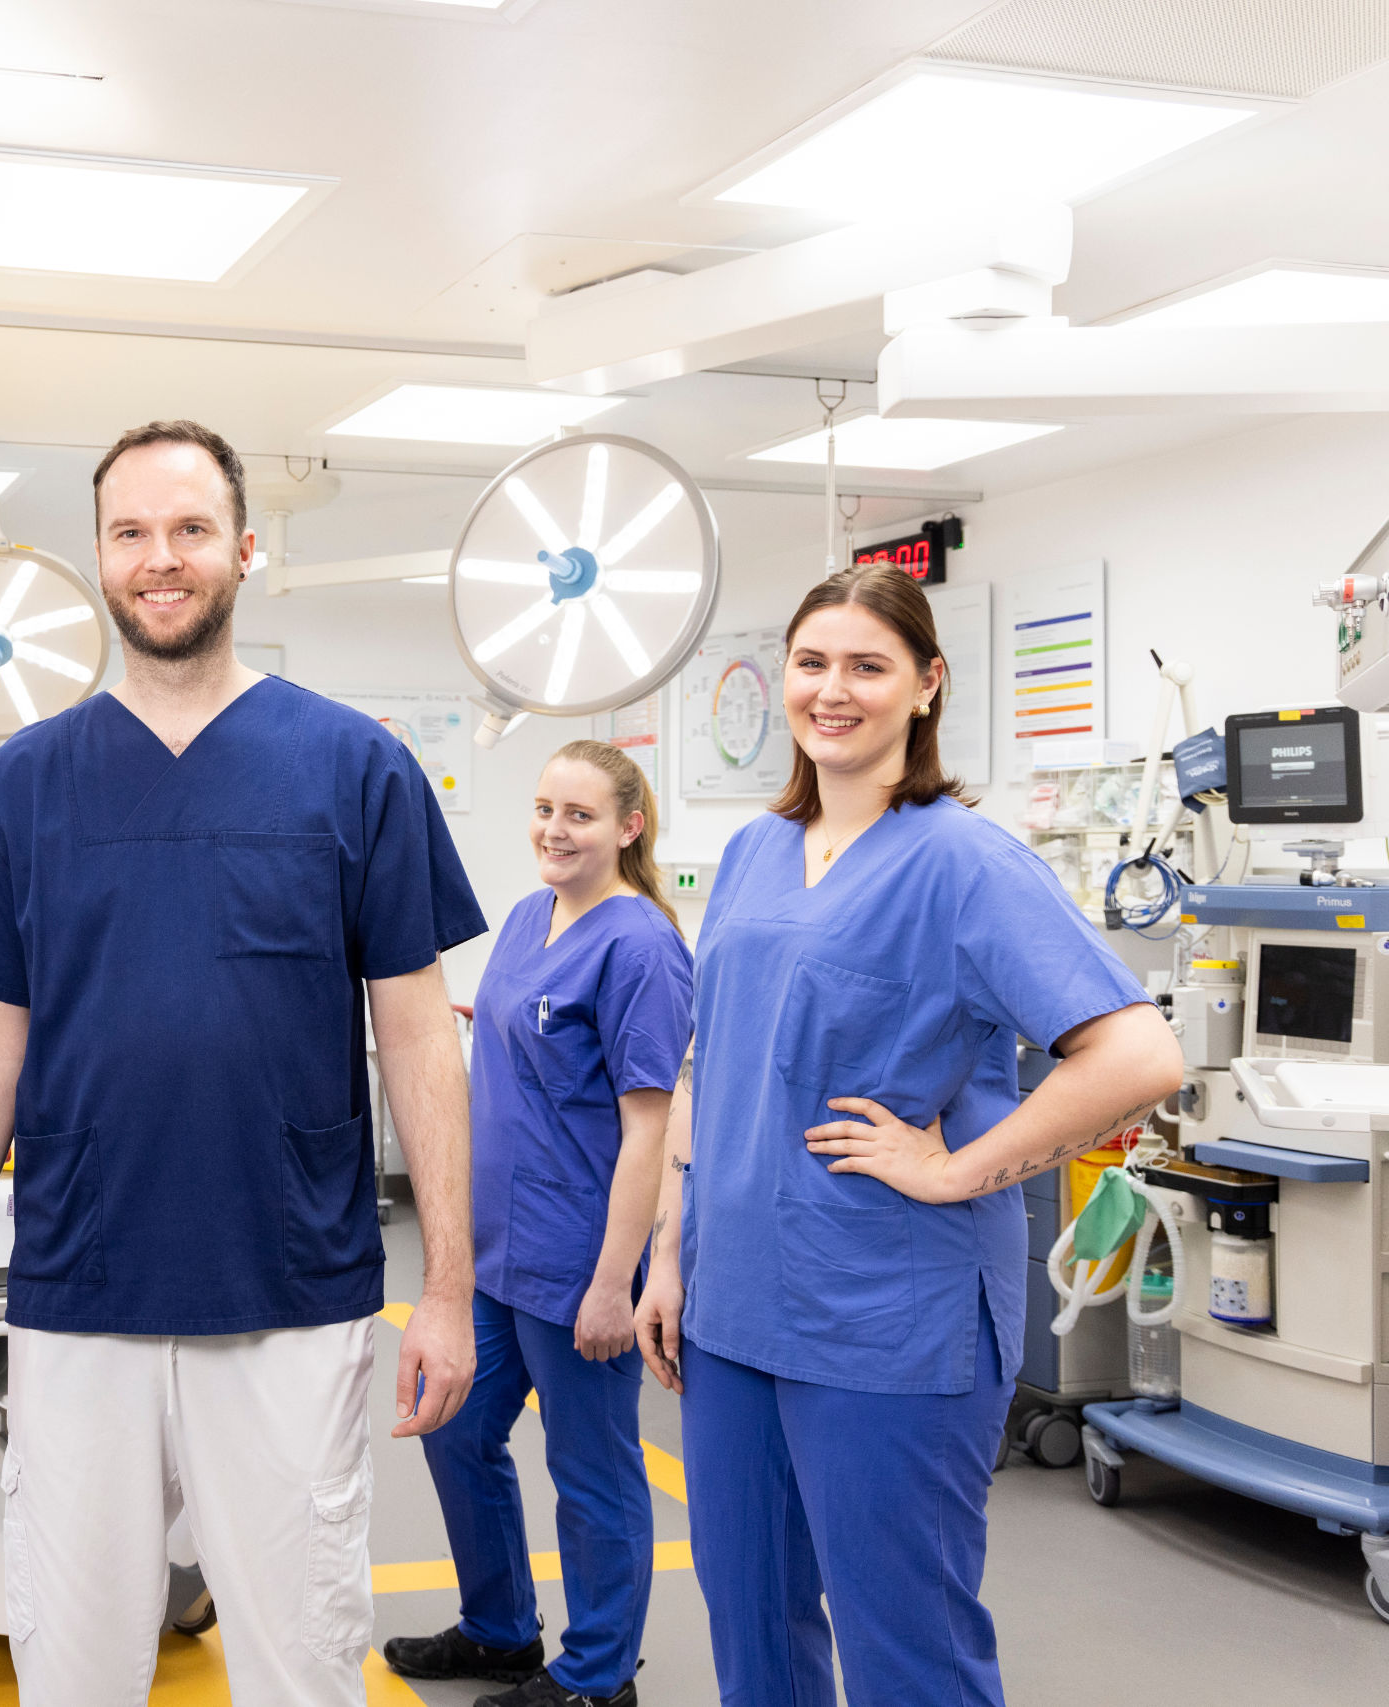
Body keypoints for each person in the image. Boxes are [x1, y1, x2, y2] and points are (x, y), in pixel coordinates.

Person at [0, 419, 487, 1707]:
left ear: (245, 549)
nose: (159, 558)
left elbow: (416, 1041)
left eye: (189, 529)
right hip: (80, 1284)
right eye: (130, 532)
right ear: (97, 556)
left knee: (300, 1661)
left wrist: (446, 1292)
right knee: (74, 1661)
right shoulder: (20, 789)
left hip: (289, 1286)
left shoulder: (355, 769)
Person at [630, 564, 1182, 1707]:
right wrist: (670, 1253)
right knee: (750, 1625)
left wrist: (955, 1169)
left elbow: (1138, 1056)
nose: (831, 691)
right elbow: (710, 1064)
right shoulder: (753, 852)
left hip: (884, 1316)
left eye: (867, 667)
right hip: (732, 1306)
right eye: (811, 663)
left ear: (927, 685)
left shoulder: (963, 862)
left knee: (905, 1650)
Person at [389, 741, 691, 1707]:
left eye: (581, 815)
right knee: (454, 1428)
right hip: (495, 1251)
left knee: (591, 1471)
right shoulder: (530, 915)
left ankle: (599, 1677)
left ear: (629, 827)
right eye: (545, 809)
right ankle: (501, 1630)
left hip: (577, 1255)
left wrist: (613, 1283)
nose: (555, 830)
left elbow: (649, 1131)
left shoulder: (641, 947)